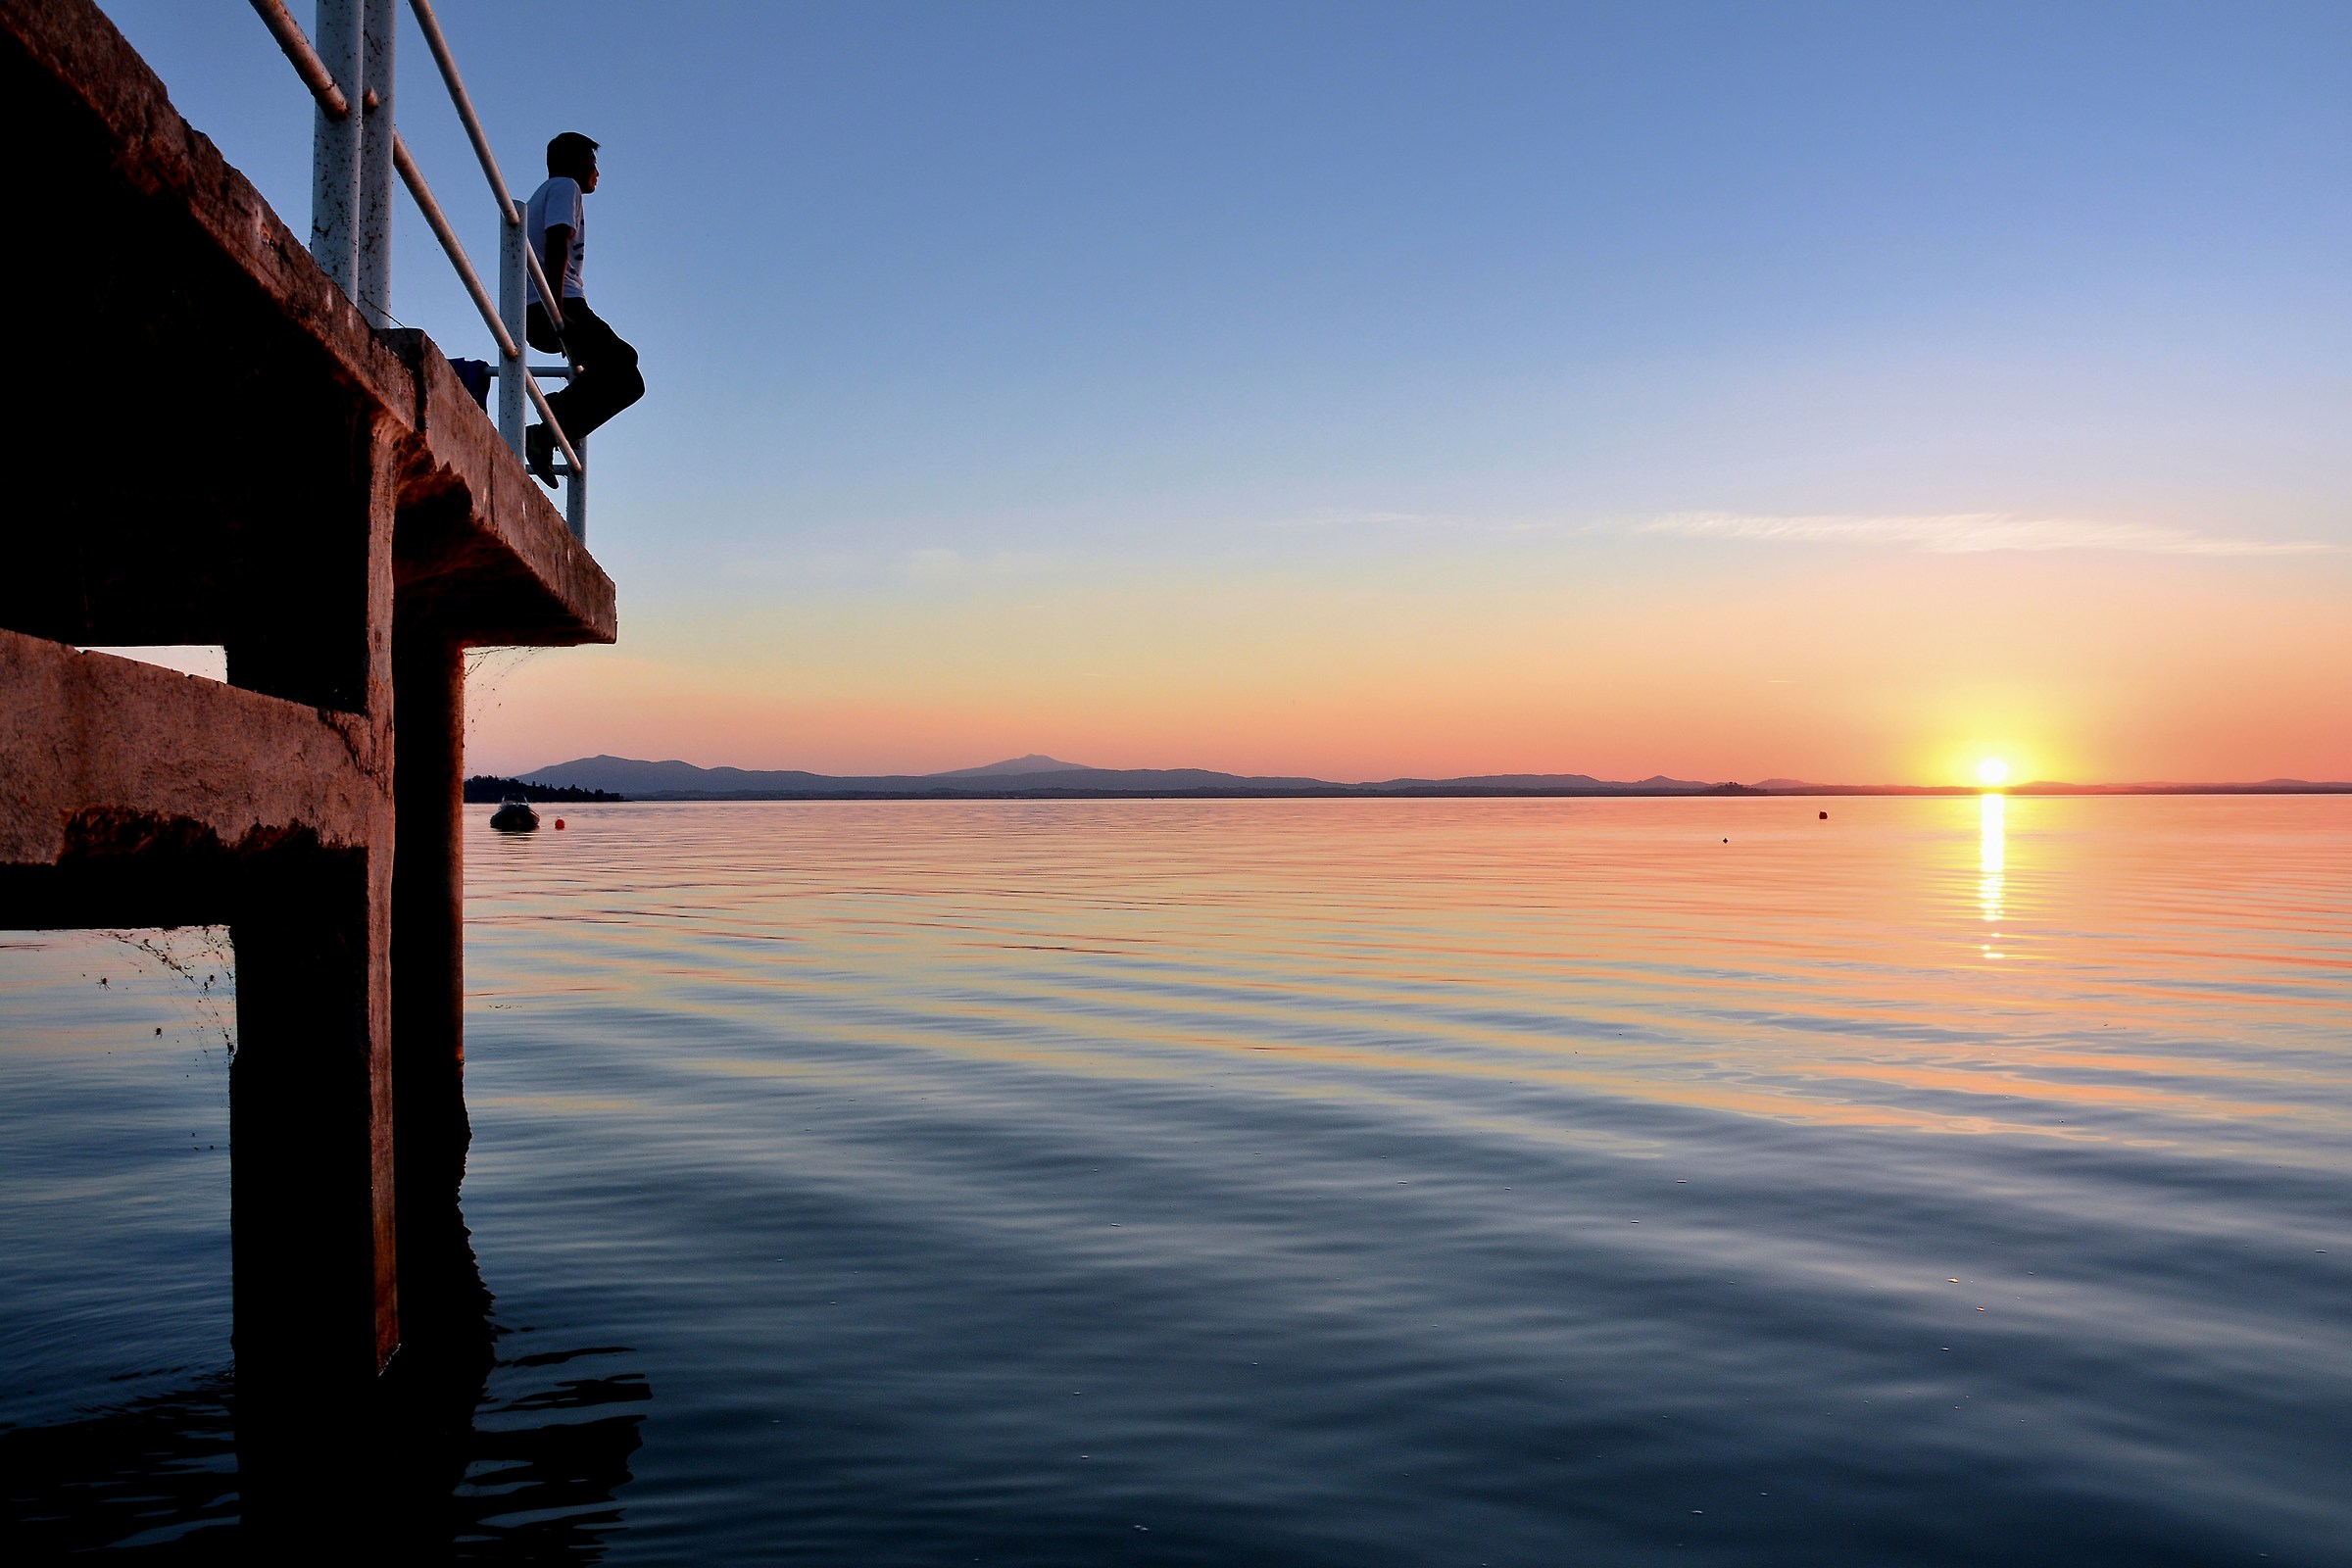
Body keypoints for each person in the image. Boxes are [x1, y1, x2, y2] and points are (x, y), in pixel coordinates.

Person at [522, 132, 645, 486]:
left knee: (619, 369)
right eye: (593, 163)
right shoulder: (564, 187)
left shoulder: (548, 192)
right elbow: (558, 239)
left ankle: (560, 420)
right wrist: (556, 307)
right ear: (577, 164)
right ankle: (549, 427)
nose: (597, 172)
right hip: (552, 301)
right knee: (625, 369)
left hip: (544, 301)